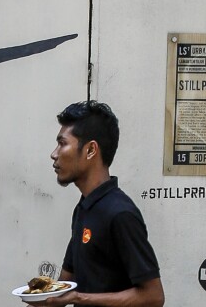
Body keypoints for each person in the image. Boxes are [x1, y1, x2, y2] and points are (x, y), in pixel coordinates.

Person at [28, 101, 164, 306]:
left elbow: (153, 297)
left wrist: (80, 298)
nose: (54, 154)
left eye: (62, 143)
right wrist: (41, 298)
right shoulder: (84, 207)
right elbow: (67, 281)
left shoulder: (119, 213)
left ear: (91, 150)